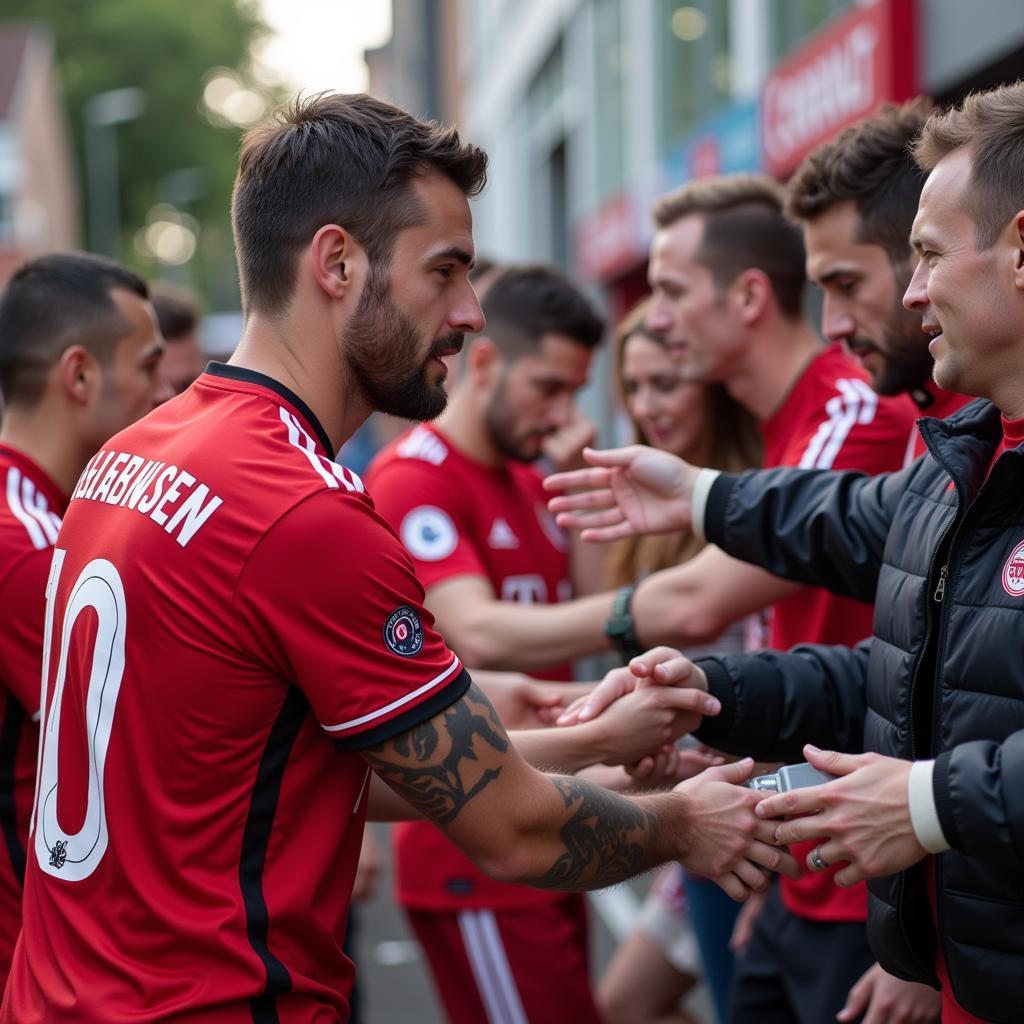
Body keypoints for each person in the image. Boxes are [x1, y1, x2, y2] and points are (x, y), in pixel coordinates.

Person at [2, 94, 796, 1023]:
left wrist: (583, 746)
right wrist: (680, 825)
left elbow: (294, 768)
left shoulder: (131, 454)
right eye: (446, 271)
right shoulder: (302, 506)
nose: (468, 314)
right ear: (337, 263)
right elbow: (513, 834)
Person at [544, 81, 1024, 1024]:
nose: (910, 289)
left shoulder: (912, 430)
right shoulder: (964, 456)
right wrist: (708, 696)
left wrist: (926, 806)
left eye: (926, 256)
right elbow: (899, 683)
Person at [580, 174, 915, 1024]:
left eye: (669, 290)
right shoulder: (800, 418)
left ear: (750, 296)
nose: (655, 319)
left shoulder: (856, 408)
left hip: (857, 878)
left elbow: (695, 604)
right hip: (804, 851)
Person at [366, 265, 675, 1024]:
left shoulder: (531, 475)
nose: (565, 414)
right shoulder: (415, 476)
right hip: (476, 842)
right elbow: (472, 628)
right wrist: (657, 608)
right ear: (486, 363)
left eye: (576, 391)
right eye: (549, 388)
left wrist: (575, 491)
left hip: (551, 812)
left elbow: (583, 609)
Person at [0, 252, 170, 996]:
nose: (169, 395)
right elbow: (175, 733)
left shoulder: (46, 523)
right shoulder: (25, 546)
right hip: (27, 960)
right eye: (151, 367)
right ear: (79, 376)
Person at [598, 299, 761, 1024]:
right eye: (634, 386)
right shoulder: (636, 508)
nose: (648, 405)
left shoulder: (751, 495)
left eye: (666, 382)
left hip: (750, 800)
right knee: (626, 1003)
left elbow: (693, 611)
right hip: (684, 797)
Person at [786, 98, 972, 464]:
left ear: (924, 253)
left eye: (848, 285)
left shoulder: (996, 419)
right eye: (822, 291)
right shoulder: (923, 411)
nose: (832, 327)